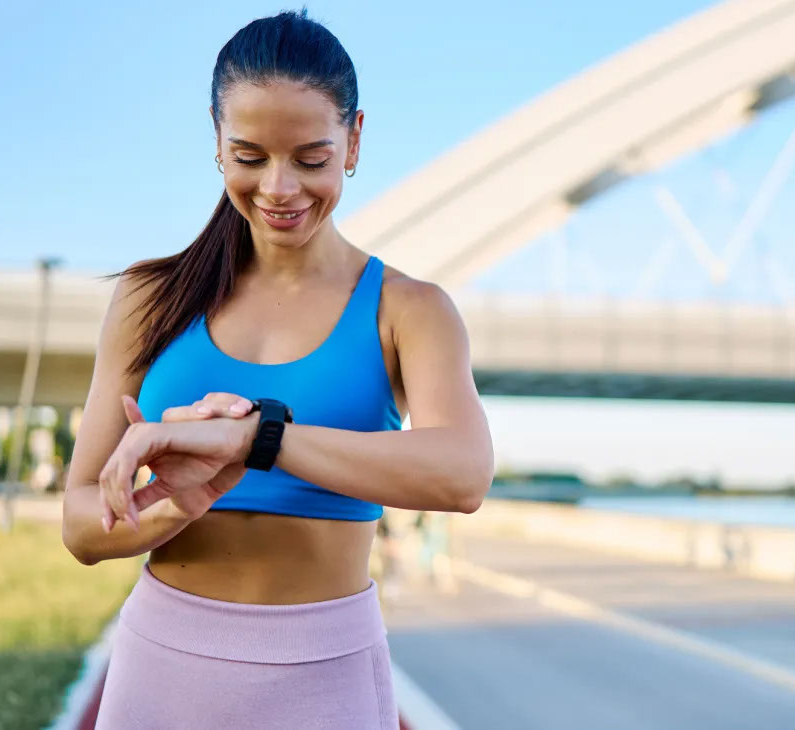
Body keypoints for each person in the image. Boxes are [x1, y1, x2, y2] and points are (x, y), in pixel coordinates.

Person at [59, 11, 494, 729]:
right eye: (250, 156)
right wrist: (178, 500)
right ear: (217, 141)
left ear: (354, 140)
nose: (280, 188)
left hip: (327, 677)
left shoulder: (408, 310)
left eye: (311, 159)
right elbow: (80, 526)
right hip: (161, 669)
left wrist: (254, 441)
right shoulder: (149, 298)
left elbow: (464, 472)